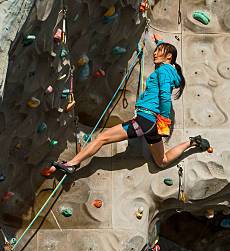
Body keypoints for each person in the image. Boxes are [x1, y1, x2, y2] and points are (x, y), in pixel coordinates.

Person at [51, 41, 209, 174]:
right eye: (155, 51)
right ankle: (193, 142)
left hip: (147, 119)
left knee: (101, 138)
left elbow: (164, 96)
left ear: (168, 56)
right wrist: (158, 41)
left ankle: (72, 163)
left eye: (158, 51)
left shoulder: (164, 70)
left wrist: (165, 120)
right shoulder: (168, 71)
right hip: (150, 124)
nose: (154, 54)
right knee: (162, 161)